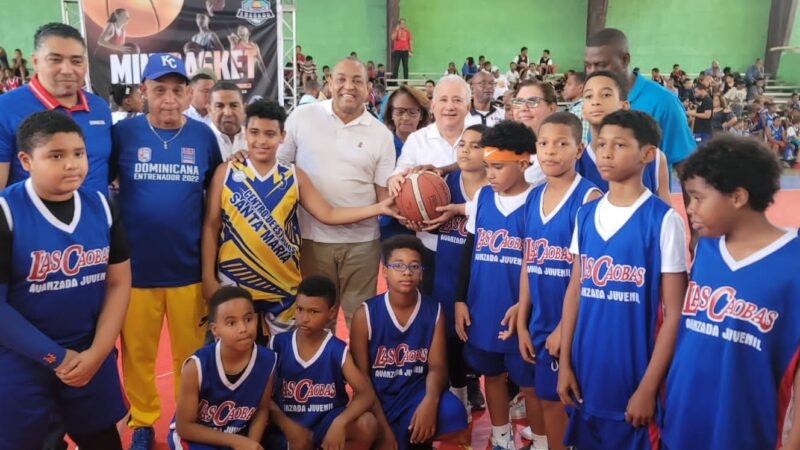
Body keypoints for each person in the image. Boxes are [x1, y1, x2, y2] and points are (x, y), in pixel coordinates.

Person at [202, 100, 397, 341]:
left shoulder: (294, 176)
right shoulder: (227, 171)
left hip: (283, 289)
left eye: (270, 134)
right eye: (254, 132)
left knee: (283, 362)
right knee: (234, 355)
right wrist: (208, 279)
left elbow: (329, 214)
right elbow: (211, 227)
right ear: (245, 132)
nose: (261, 140)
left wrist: (379, 207)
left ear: (282, 136)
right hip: (234, 283)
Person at [557, 110, 688, 449]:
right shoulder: (586, 214)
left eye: (619, 145)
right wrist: (565, 364)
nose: (606, 153)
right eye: (600, 144)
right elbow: (574, 291)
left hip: (634, 378)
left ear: (647, 154)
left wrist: (647, 389)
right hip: (585, 373)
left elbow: (675, 313)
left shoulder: (663, 220)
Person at [112, 53, 223, 450]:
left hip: (189, 270)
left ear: (190, 93)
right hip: (135, 270)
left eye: (178, 90)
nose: (169, 99)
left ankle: (184, 420)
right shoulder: (123, 136)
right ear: (143, 91)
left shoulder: (202, 137)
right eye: (160, 90)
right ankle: (143, 422)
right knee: (138, 354)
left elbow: (217, 195)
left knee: (189, 357)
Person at [0, 111, 130, 449]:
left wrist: (99, 351)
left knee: (103, 440)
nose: (72, 164)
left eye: (78, 153)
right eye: (56, 156)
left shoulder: (102, 206)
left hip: (89, 352)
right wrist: (56, 358)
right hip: (22, 358)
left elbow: (118, 283)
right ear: (26, 160)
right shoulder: (6, 211)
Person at [662, 136, 800, 450]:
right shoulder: (707, 248)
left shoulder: (793, 261)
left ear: (737, 197)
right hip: (684, 417)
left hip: (746, 428)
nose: (690, 209)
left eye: (697, 198)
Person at [276, 57, 396, 330]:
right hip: (311, 240)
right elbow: (278, 171)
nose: (348, 87)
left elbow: (383, 195)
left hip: (362, 245)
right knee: (314, 321)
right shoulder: (301, 117)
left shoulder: (381, 135)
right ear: (329, 83)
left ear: (368, 88)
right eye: (341, 79)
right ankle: (318, 374)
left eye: (357, 81)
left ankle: (358, 373)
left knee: (361, 322)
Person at [452, 120, 546, 450]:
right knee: (490, 375)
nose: (490, 174)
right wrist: (460, 299)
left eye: (498, 167)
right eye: (488, 166)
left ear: (524, 162)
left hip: (523, 310)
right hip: (483, 304)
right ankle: (501, 434)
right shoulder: (483, 197)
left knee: (531, 385)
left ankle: (542, 438)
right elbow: (469, 248)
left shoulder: (538, 202)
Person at [516, 112, 603, 450]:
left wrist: (564, 327)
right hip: (539, 320)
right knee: (545, 399)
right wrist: (523, 320)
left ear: (579, 150)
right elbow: (528, 261)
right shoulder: (533, 197)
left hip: (572, 324)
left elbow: (587, 277)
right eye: (543, 143)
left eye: (561, 143)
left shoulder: (589, 199)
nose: (550, 151)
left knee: (566, 404)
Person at [350, 235, 469, 450]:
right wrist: (384, 432)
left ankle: (417, 434)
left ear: (422, 273)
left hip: (414, 396)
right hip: (377, 398)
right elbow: (361, 380)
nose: (407, 272)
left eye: (414, 266)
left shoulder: (434, 310)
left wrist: (430, 404)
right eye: (398, 265)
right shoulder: (365, 314)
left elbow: (438, 368)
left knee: (455, 415)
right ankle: (402, 436)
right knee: (363, 426)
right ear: (384, 271)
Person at [266, 276, 378, 450]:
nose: (304, 318)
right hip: (288, 427)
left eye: (314, 312)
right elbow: (263, 397)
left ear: (331, 313)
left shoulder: (336, 349)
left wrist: (340, 422)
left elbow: (366, 394)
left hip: (325, 426)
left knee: (367, 424)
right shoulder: (277, 344)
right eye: (300, 309)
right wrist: (286, 424)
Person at [0, 23, 113, 194]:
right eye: (55, 59)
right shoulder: (6, 108)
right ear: (35, 62)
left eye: (76, 61)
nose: (67, 70)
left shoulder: (99, 108)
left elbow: (104, 167)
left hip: (97, 218)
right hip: (32, 220)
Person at [386, 74, 470, 294]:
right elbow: (398, 176)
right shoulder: (418, 139)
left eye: (457, 100)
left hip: (472, 242)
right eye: (443, 100)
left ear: (468, 106)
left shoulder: (481, 136)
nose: (449, 106)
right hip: (429, 243)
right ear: (432, 105)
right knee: (432, 310)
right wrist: (407, 208)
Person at [168, 287, 275, 450]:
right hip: (197, 438)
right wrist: (236, 441)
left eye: (248, 319)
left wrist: (251, 444)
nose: (243, 328)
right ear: (215, 330)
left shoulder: (267, 359)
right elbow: (184, 427)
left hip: (239, 436)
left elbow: (261, 410)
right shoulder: (196, 366)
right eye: (231, 323)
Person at [584, 28, 695, 172]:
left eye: (601, 65)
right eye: (588, 66)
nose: (593, 72)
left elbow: (687, 170)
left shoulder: (663, 103)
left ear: (625, 60)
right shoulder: (593, 101)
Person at [579, 70, 671, 203]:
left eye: (605, 94)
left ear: (624, 105)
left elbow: (666, 214)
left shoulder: (654, 159)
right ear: (583, 110)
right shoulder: (574, 162)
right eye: (589, 96)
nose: (596, 102)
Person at [511, 79, 558, 186]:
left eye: (533, 101)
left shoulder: (561, 152)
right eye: (518, 102)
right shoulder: (502, 146)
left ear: (552, 108)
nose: (523, 108)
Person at [208, 81, 246, 160]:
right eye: (219, 106)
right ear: (209, 110)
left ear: (244, 109)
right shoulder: (200, 139)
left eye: (234, 105)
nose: (227, 113)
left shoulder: (254, 139)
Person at [563, 71, 589, 143]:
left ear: (580, 88)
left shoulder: (578, 110)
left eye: (569, 84)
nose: (565, 87)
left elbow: (582, 141)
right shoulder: (580, 107)